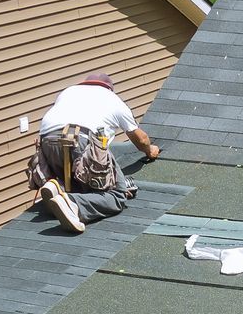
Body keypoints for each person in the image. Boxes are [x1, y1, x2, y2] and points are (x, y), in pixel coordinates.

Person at [29, 74, 161, 233]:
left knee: (80, 181)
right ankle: (71, 203)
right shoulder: (112, 99)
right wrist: (150, 150)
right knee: (116, 195)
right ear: (109, 88)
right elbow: (141, 139)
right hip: (82, 141)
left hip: (47, 142)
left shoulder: (68, 91)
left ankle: (58, 187)